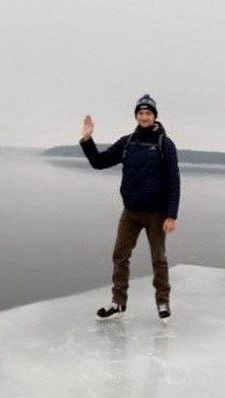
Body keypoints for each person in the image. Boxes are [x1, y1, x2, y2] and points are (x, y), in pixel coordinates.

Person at [79, 94, 180, 319]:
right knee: (120, 255)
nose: (144, 117)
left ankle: (163, 303)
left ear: (154, 116)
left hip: (156, 212)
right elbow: (99, 162)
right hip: (131, 212)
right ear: (136, 116)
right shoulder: (128, 143)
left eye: (148, 113)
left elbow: (174, 180)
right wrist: (87, 139)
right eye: (141, 113)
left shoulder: (165, 144)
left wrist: (171, 214)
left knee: (158, 258)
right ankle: (118, 303)